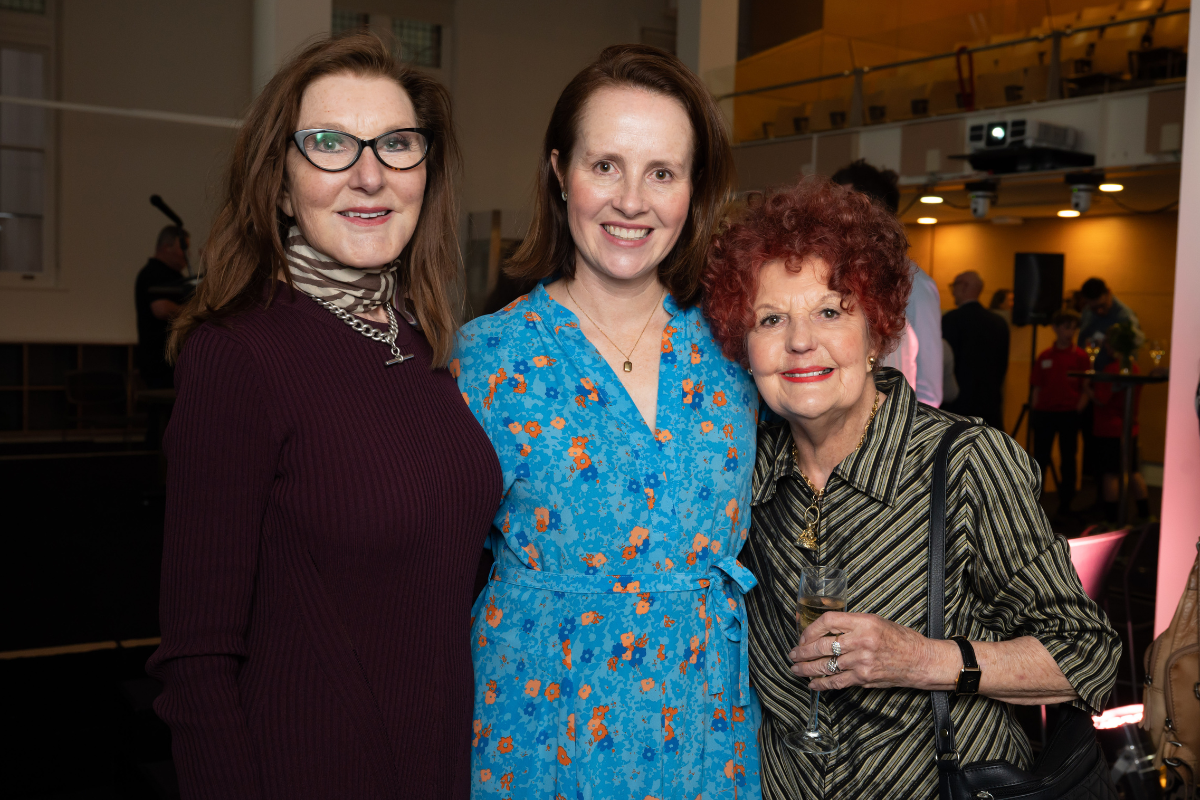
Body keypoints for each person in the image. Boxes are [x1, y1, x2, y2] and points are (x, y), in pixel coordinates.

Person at [146, 34, 501, 800]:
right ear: (280, 182)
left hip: (436, 767)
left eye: (397, 145)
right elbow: (197, 662)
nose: (370, 174)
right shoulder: (237, 356)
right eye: (330, 144)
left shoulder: (422, 344)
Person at [703, 177, 1120, 798]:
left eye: (829, 310)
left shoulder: (966, 463)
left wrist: (919, 659)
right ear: (745, 345)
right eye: (770, 319)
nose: (798, 342)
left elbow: (1089, 656)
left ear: (877, 328)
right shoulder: (738, 478)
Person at [454, 45, 760, 799]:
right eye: (605, 165)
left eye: (663, 172)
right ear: (559, 171)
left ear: (693, 188)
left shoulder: (739, 346)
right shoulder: (486, 358)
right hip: (541, 722)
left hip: (704, 721)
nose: (633, 200)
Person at [831, 159, 943, 406]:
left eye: (840, 206)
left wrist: (910, 438)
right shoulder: (829, 273)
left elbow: (930, 386)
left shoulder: (913, 281)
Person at [1029, 309, 1091, 516]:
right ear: (1056, 328)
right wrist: (1035, 411)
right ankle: (1035, 502)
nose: (1070, 332)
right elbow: (1037, 387)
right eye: (1066, 327)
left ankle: (1066, 503)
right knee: (1040, 458)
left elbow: (1086, 387)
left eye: (1073, 328)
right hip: (1045, 413)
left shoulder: (1081, 356)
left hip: (1068, 415)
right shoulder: (1045, 356)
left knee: (1068, 459)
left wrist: (1077, 410)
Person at [1092, 339, 1151, 522]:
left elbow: (1102, 399)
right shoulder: (1134, 367)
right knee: (1133, 471)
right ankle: (1145, 515)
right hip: (1129, 427)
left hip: (1110, 427)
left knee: (1110, 474)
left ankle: (1111, 520)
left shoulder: (1112, 369)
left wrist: (1086, 389)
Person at [942, 270, 1010, 428]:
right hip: (990, 406)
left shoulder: (951, 320)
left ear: (964, 287)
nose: (952, 292)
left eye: (954, 286)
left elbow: (944, 368)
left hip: (957, 410)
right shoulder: (999, 323)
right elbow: (1002, 367)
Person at [134, 226, 190, 389]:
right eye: (183, 248)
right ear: (166, 247)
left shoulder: (175, 276)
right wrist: (192, 312)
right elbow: (161, 309)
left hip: (173, 360)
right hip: (159, 363)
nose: (187, 255)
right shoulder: (152, 273)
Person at [1077, 277, 1143, 370]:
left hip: (1113, 377)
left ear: (1109, 292)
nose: (1099, 311)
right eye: (1094, 308)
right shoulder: (1087, 311)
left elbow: (1131, 355)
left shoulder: (1125, 317)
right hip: (1088, 374)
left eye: (1102, 305)